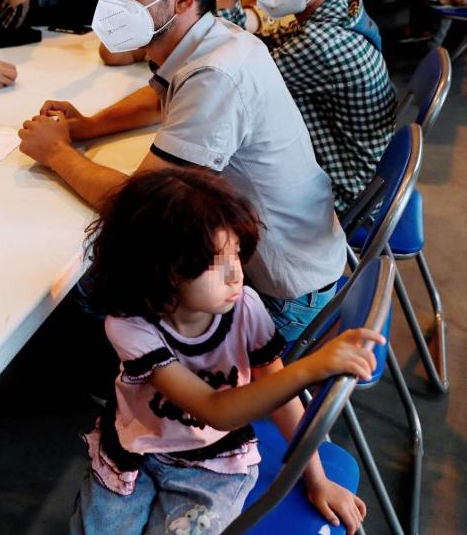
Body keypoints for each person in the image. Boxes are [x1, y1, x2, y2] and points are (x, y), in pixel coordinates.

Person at [17, 0, 349, 340]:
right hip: (303, 256)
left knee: (89, 284)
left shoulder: (216, 73)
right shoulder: (214, 36)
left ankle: (137, 388)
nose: (110, 0)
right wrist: (86, 127)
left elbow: (143, 207)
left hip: (277, 301)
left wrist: (57, 153)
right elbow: (159, 97)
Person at [70, 169, 375, 535]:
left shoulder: (244, 307)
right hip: (134, 453)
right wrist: (310, 368)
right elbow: (214, 409)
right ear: (162, 271)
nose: (237, 275)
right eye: (216, 264)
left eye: (236, 254)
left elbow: (280, 397)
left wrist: (317, 479)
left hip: (214, 463)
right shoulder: (129, 325)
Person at [217, 0, 396, 212]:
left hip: (344, 193)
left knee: (206, 190)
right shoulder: (338, 12)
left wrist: (224, 0)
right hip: (362, 173)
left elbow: (228, 83)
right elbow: (260, 50)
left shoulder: (322, 43)